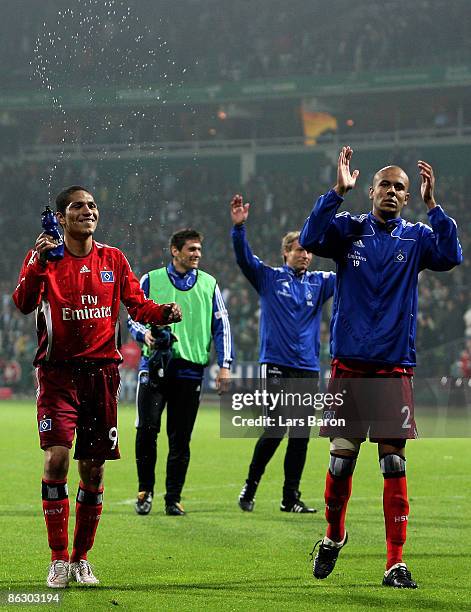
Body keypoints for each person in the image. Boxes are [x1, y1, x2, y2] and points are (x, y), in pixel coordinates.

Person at [300, 147, 462, 588]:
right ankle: (334, 537)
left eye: (401, 188)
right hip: (349, 365)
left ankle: (395, 562)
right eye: (385, 185)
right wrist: (336, 192)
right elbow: (309, 238)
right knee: (340, 463)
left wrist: (434, 206)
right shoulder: (348, 230)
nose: (391, 191)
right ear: (369, 190)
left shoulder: (417, 237)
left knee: (393, 464)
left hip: (393, 368)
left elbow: (452, 256)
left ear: (408, 197)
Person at [12, 186, 182, 588]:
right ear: (61, 217)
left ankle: (80, 559)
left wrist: (163, 313)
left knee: (93, 469)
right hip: (57, 374)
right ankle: (57, 560)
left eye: (91, 205)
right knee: (56, 459)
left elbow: (137, 305)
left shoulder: (113, 259)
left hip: (102, 377)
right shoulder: (46, 259)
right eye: (77, 206)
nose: (87, 211)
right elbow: (22, 302)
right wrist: (37, 259)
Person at [231, 194, 335, 513]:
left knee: (300, 436)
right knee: (276, 428)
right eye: (299, 249)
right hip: (276, 365)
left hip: (307, 367)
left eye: (308, 250)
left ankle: (290, 498)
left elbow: (351, 274)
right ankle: (250, 485)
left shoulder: (320, 283)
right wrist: (239, 228)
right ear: (286, 252)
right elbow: (245, 259)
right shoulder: (269, 278)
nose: (306, 255)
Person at [128, 228, 232, 516]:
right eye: (191, 249)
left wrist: (225, 365)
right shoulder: (151, 279)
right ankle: (144, 491)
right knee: (147, 429)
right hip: (155, 366)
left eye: (199, 249)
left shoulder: (210, 284)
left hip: (190, 370)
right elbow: (132, 318)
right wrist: (144, 336)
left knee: (180, 437)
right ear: (175, 250)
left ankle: (173, 498)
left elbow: (222, 326)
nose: (197, 254)